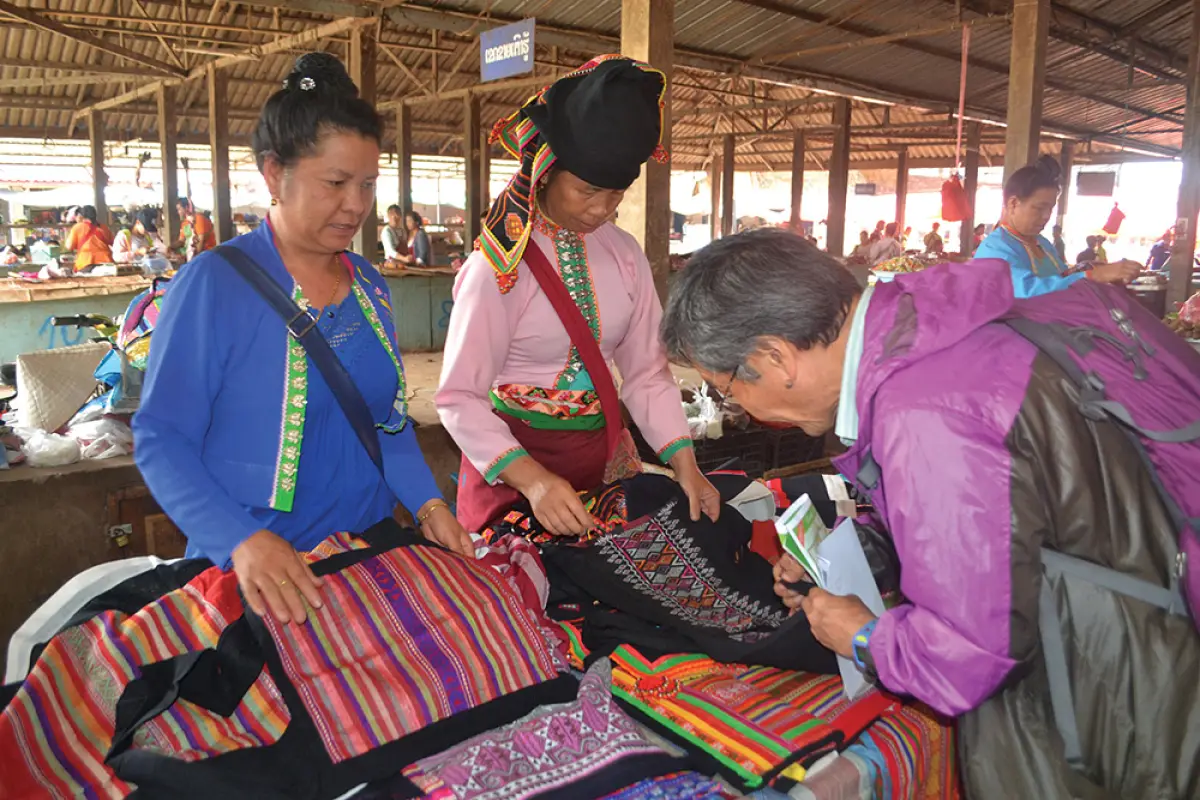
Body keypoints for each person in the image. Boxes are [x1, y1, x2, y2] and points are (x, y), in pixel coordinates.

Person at [660, 228, 1200, 800]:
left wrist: (864, 637)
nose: (736, 406)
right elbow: (1020, 503)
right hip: (1144, 618)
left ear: (775, 356)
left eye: (725, 389)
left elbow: (968, 654)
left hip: (1112, 697)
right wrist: (875, 545)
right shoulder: (937, 329)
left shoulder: (926, 409)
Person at [134, 53, 471, 625]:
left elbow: (386, 424)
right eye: (335, 183)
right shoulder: (215, 283)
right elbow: (161, 437)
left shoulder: (368, 285)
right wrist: (240, 539)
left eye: (367, 185)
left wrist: (429, 503)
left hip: (364, 559)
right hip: (259, 577)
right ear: (274, 174)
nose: (356, 206)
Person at [437, 55, 720, 535]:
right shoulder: (499, 266)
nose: (601, 210)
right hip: (513, 475)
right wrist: (535, 482)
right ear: (547, 169)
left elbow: (647, 373)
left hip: (599, 466)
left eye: (617, 195)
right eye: (588, 190)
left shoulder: (625, 256)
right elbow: (458, 397)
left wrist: (686, 465)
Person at [975, 156, 1139, 297]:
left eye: (1050, 209)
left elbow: (1060, 276)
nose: (1047, 216)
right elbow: (1027, 293)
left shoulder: (1042, 243)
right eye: (1039, 208)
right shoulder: (994, 249)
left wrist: (1087, 269)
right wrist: (1093, 276)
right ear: (1013, 203)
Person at [64, 204, 113, 271]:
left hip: (85, 263)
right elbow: (113, 243)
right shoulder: (104, 228)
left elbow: (69, 246)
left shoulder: (77, 227)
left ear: (82, 216)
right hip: (106, 264)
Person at [174, 196, 216, 261]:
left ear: (186, 207)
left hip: (207, 256)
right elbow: (182, 240)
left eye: (179, 209)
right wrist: (171, 248)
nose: (178, 212)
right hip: (194, 257)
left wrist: (194, 261)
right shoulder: (185, 223)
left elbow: (200, 242)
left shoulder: (199, 219)